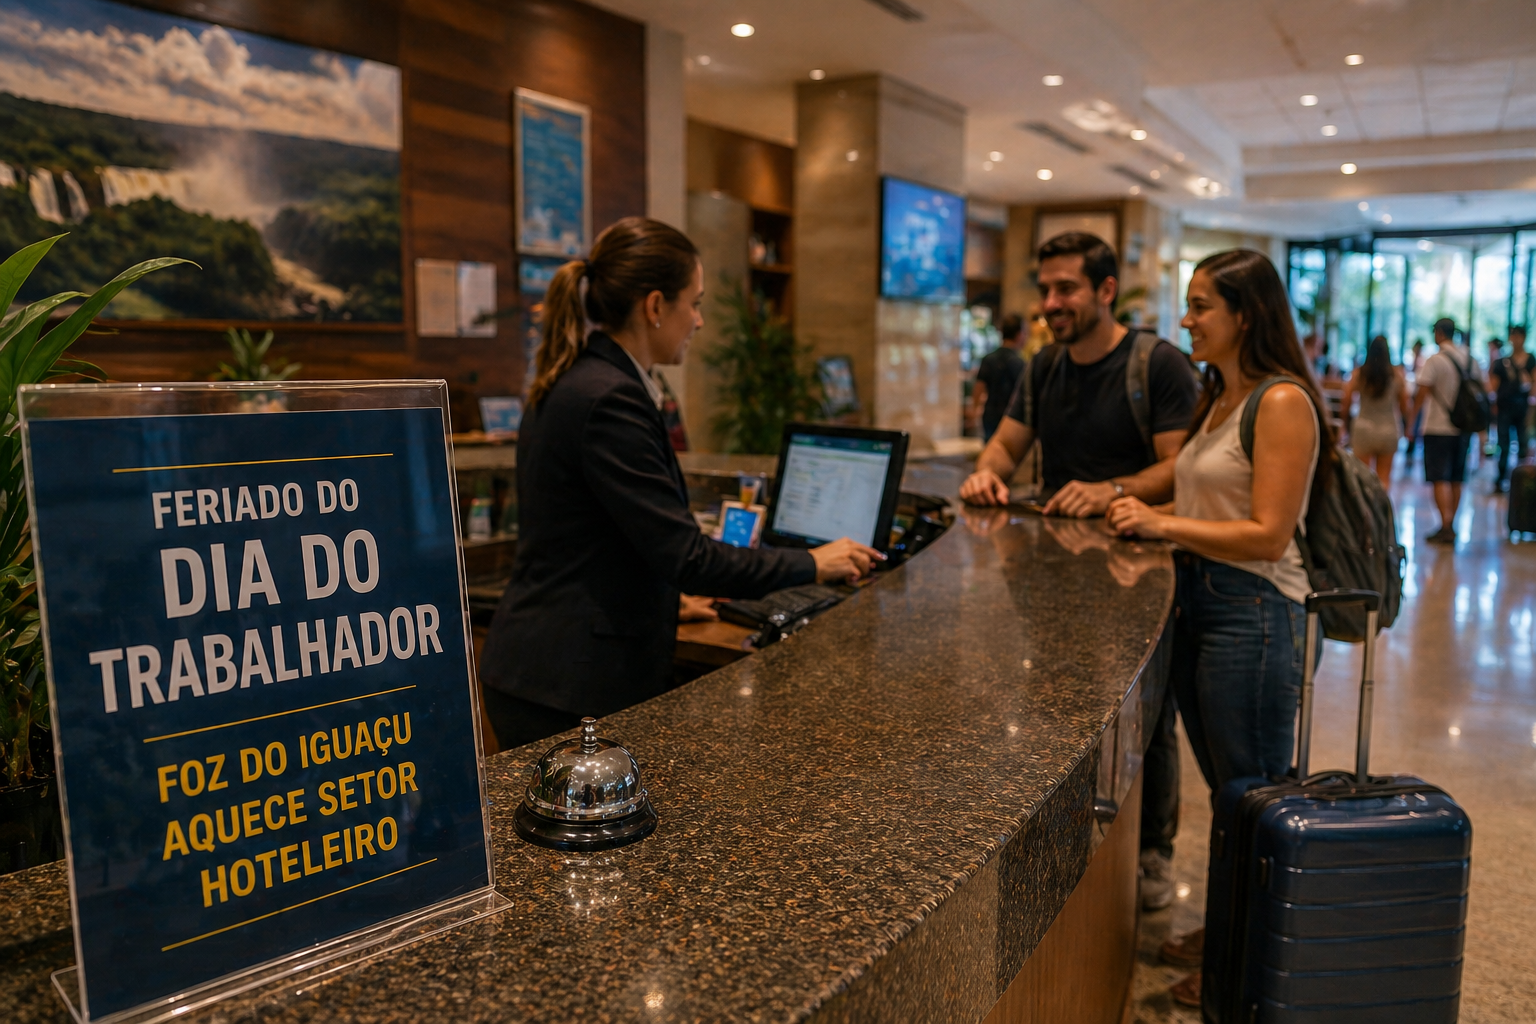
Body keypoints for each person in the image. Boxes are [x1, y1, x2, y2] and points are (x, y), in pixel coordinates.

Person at [479, 217, 881, 748]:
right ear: (654, 306)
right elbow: (689, 558)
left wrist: (663, 601)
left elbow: (598, 537)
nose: (699, 320)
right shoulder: (610, 399)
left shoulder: (581, 377)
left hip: (545, 666)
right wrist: (814, 562)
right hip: (567, 679)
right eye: (694, 302)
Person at [1105, 249, 1328, 1009]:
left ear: (1246, 315)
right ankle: (1234, 924)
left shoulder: (1283, 401)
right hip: (1203, 602)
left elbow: (1268, 534)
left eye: (1201, 306)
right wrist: (1111, 495)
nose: (1187, 319)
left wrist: (1160, 523)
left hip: (1255, 611)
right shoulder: (1219, 397)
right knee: (1228, 791)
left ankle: (1247, 961)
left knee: (1256, 794)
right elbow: (1180, 479)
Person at [959, 231, 1199, 912]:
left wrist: (1114, 490)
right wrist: (986, 473)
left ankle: (1150, 853)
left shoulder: (1155, 365)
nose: (1050, 303)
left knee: (1145, 714)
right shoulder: (1044, 368)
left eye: (1066, 289)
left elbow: (1177, 466)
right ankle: (1071, 842)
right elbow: (1006, 445)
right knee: (1057, 711)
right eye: (1045, 289)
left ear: (1105, 291)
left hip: (1139, 577)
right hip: (1054, 581)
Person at [1410, 318, 1475, 543]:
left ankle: (1445, 524)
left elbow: (1421, 393)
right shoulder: (1469, 359)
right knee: (1457, 477)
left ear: (1438, 333)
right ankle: (1452, 523)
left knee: (1439, 477)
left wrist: (1411, 422)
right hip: (1464, 427)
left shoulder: (1434, 361)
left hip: (1437, 426)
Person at [1342, 335, 1411, 486]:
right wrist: (1407, 427)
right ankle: (1381, 509)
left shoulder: (1359, 374)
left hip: (1363, 428)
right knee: (1384, 478)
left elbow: (1346, 400)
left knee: (1362, 477)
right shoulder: (1397, 375)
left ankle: (1365, 509)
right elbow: (1405, 406)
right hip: (1388, 429)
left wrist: (1345, 424)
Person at [971, 313, 1026, 441]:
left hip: (990, 415)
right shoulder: (1020, 363)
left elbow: (979, 387)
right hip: (1012, 418)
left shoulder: (989, 359)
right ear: (1019, 335)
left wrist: (974, 413)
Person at [1491, 326, 1533, 492]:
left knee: (1523, 442)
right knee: (1504, 443)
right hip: (1505, 407)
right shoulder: (1502, 362)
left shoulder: (1530, 360)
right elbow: (1494, 385)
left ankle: (1521, 480)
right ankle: (1501, 477)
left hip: (1522, 406)